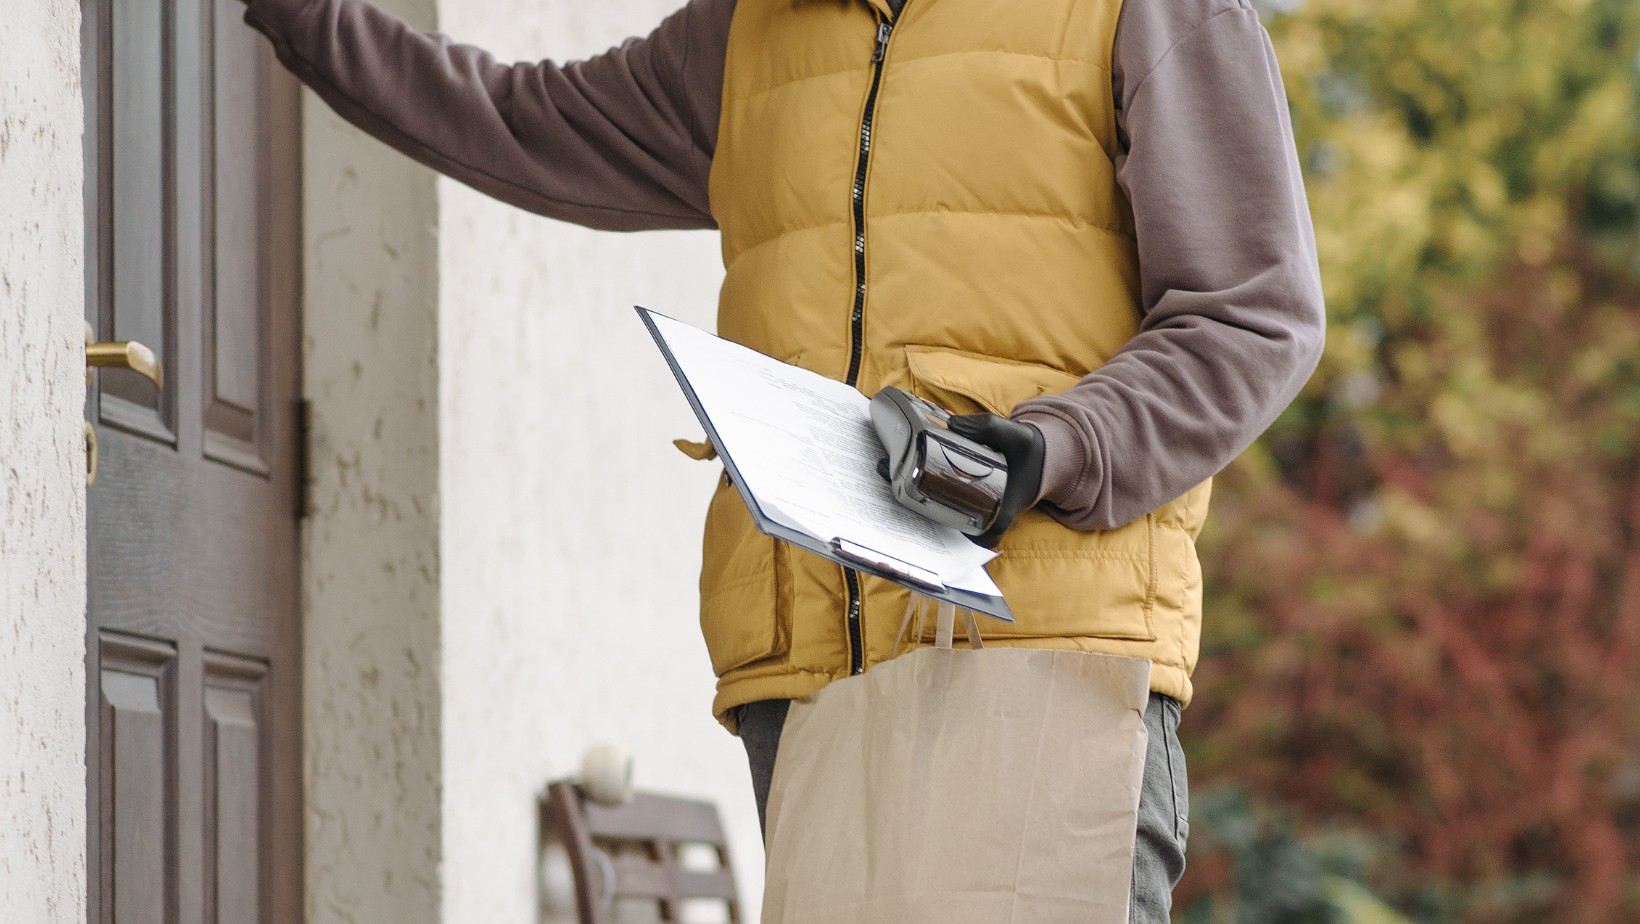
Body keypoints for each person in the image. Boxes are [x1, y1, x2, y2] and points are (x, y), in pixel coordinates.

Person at [241, 0, 1324, 916]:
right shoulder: (749, 33)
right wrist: (308, 20)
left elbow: (1251, 314)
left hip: (1046, 650)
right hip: (804, 680)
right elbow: (514, 121)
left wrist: (1056, 447)